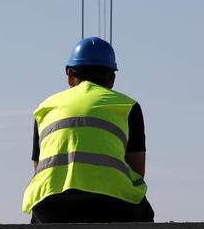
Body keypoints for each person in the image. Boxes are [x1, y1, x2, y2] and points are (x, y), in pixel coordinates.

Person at [22, 37, 154, 223]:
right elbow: (138, 171)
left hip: (50, 205)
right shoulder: (127, 106)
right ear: (112, 79)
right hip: (109, 204)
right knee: (143, 211)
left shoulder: (45, 108)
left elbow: (39, 167)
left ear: (69, 75)